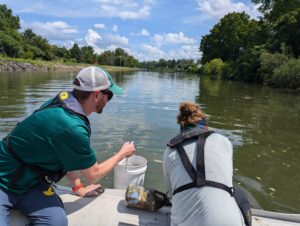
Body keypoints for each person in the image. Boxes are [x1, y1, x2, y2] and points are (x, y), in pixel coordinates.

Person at [0, 66, 136, 226]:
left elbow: (65, 153)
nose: (108, 101)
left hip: (31, 184)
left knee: (57, 222)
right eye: (110, 95)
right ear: (97, 94)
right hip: (3, 180)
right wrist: (122, 153)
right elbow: (94, 174)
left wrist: (78, 187)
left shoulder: (65, 100)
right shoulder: (71, 126)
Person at [163, 102, 246, 226]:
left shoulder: (169, 151)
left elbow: (171, 193)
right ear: (205, 125)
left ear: (181, 126)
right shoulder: (225, 142)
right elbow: (227, 178)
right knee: (238, 194)